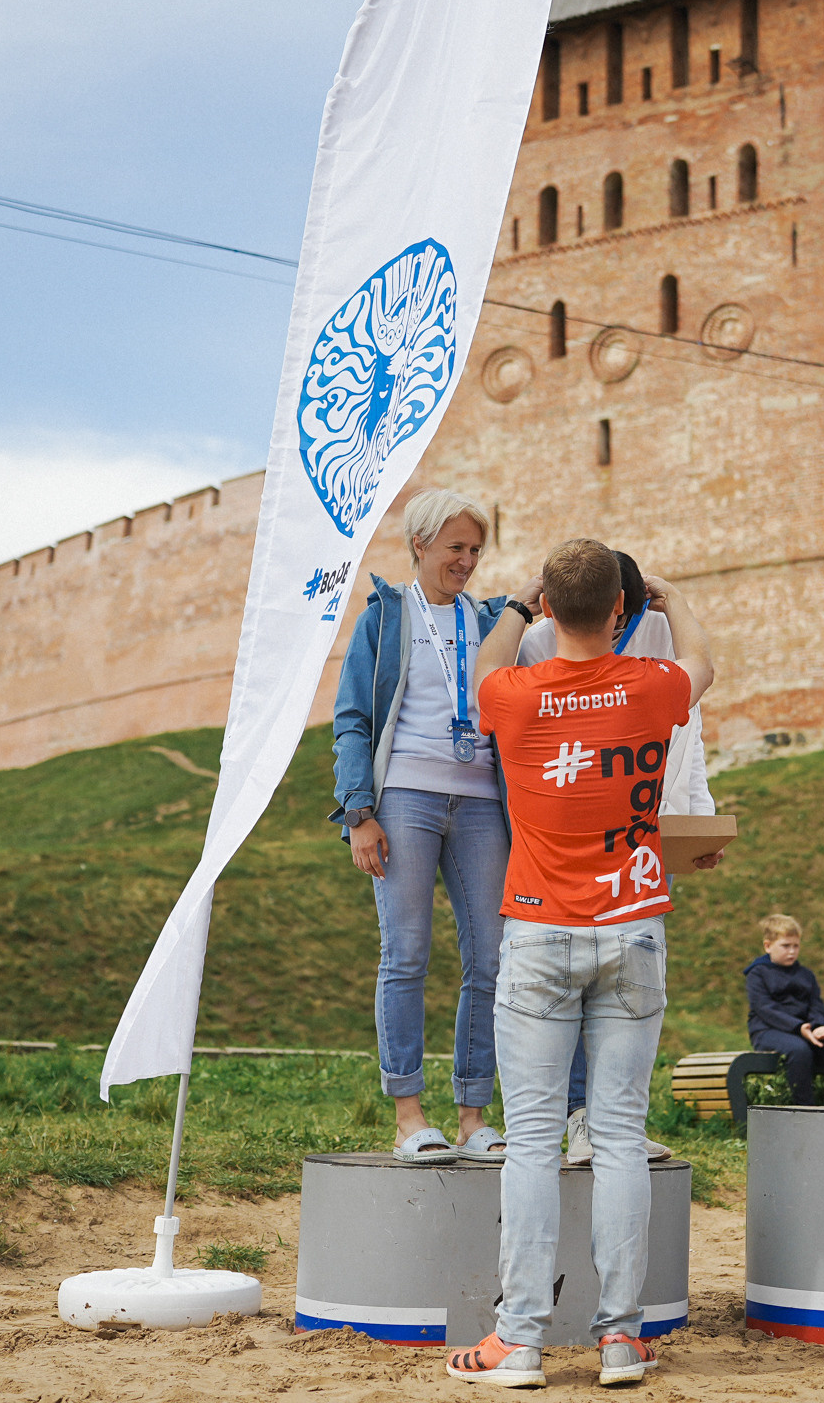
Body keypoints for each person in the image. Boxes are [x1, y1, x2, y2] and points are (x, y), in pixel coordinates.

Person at [444, 540, 714, 1388]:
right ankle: (622, 1340)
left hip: (537, 931)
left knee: (530, 1144)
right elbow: (703, 662)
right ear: (625, 612)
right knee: (622, 1139)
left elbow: (484, 665)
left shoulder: (513, 694)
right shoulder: (651, 686)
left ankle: (518, 1339)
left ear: (552, 610)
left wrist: (519, 609)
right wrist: (669, 600)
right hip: (632, 926)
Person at [517, 549, 719, 1166]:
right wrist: (677, 599)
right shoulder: (549, 650)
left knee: (607, 1012)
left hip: (625, 865)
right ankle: (583, 1123)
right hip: (565, 866)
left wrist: (694, 827)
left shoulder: (642, 641)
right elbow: (699, 675)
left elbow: (691, 738)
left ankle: (593, 1126)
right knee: (577, 1009)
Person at [330, 489, 513, 1166]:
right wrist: (359, 813)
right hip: (404, 795)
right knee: (405, 953)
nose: (466, 561)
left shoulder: (494, 622)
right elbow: (351, 718)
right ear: (420, 545)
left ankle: (473, 1117)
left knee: (490, 958)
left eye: (475, 550)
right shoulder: (385, 615)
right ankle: (409, 1116)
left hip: (481, 803)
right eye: (454, 548)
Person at [744, 914, 824, 1107]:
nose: (791, 951)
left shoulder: (805, 975)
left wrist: (817, 1027)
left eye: (796, 946)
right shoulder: (757, 974)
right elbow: (765, 1008)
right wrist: (798, 1027)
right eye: (785, 946)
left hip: (807, 1032)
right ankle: (805, 1109)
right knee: (799, 1051)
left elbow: (816, 1005)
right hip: (768, 1032)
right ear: (768, 946)